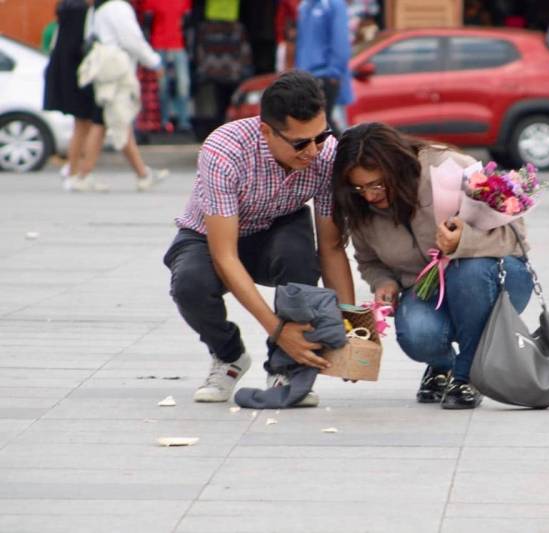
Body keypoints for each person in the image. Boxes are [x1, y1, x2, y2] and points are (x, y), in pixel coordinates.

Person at [164, 71, 355, 404]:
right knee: (189, 285)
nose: (313, 151)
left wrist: (352, 328)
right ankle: (229, 357)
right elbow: (225, 256)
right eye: (300, 142)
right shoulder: (225, 151)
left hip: (278, 227)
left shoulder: (326, 155)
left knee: (299, 255)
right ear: (266, 130)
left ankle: (286, 368)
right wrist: (279, 331)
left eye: (320, 136)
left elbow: (331, 247)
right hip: (212, 236)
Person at [331, 123, 534, 409]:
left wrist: (463, 242)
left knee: (468, 271)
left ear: (397, 167)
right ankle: (445, 366)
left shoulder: (448, 169)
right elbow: (369, 260)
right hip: (427, 288)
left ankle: (468, 375)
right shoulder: (361, 207)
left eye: (377, 184)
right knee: (416, 335)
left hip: (495, 280)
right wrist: (383, 282)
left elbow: (516, 236)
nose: (369, 195)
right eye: (359, 187)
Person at [64, 0, 165, 193]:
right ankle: (84, 175)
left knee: (106, 120)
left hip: (104, 69)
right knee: (110, 119)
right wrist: (154, 62)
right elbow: (132, 39)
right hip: (116, 71)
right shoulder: (117, 7)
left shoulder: (99, 9)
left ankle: (141, 173)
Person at [44, 0, 97, 185]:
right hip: (77, 73)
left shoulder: (66, 8)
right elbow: (81, 45)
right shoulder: (81, 11)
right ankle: (75, 171)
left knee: (81, 124)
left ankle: (75, 169)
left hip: (64, 70)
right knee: (84, 123)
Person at [295, 0, 352, 136]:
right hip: (306, 78)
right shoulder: (304, 5)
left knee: (332, 129)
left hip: (325, 76)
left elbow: (341, 41)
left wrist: (334, 72)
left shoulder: (333, 4)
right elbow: (302, 43)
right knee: (314, 131)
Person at [141, 0, 193, 133]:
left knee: (183, 84)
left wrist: (190, 47)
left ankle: (184, 121)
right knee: (162, 86)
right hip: (159, 44)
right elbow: (147, 23)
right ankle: (164, 121)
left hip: (178, 44)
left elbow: (188, 24)